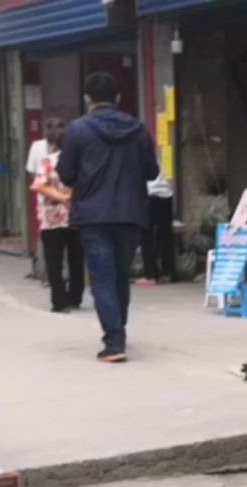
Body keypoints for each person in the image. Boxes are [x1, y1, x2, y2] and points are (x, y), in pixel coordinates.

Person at [57, 71, 158, 364]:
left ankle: (114, 342)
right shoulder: (138, 129)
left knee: (102, 278)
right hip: (130, 214)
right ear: (117, 98)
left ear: (88, 99)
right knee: (120, 276)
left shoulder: (78, 130)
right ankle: (118, 333)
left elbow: (66, 174)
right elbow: (152, 172)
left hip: (93, 216)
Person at [30, 118, 82, 313]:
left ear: (50, 143)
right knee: (76, 259)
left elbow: (39, 186)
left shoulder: (48, 163)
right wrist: (70, 197)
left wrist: (60, 197)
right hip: (75, 216)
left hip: (51, 220)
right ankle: (75, 297)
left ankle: (59, 300)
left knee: (55, 262)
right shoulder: (78, 162)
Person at [137, 169, 175, 286]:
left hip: (150, 194)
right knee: (165, 234)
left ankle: (150, 275)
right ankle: (167, 272)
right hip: (167, 194)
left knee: (147, 235)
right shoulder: (166, 151)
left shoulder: (142, 151)